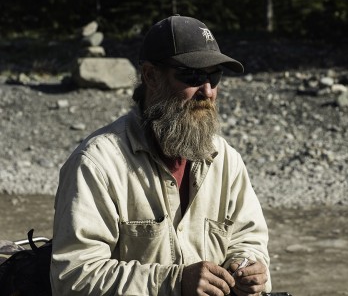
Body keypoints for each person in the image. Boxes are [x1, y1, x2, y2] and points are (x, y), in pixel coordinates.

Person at [50, 15, 272, 296]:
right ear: (151, 76)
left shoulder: (226, 160)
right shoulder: (97, 164)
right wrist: (174, 283)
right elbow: (73, 277)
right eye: (192, 75)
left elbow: (249, 239)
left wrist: (249, 266)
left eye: (214, 76)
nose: (207, 91)